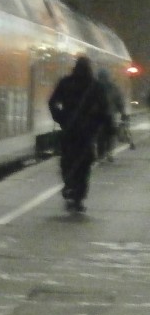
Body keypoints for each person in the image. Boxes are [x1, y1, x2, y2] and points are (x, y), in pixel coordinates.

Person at [48, 55, 111, 213]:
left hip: (69, 130)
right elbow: (105, 109)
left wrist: (60, 117)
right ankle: (78, 197)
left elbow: (52, 102)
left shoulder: (66, 82)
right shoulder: (96, 86)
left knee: (67, 161)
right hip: (87, 133)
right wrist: (100, 125)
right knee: (84, 165)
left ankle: (69, 185)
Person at [94, 68, 123, 163]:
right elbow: (119, 100)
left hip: (98, 115)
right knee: (111, 134)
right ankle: (109, 152)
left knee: (100, 135)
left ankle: (101, 154)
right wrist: (122, 112)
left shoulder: (94, 87)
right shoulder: (113, 87)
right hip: (110, 114)